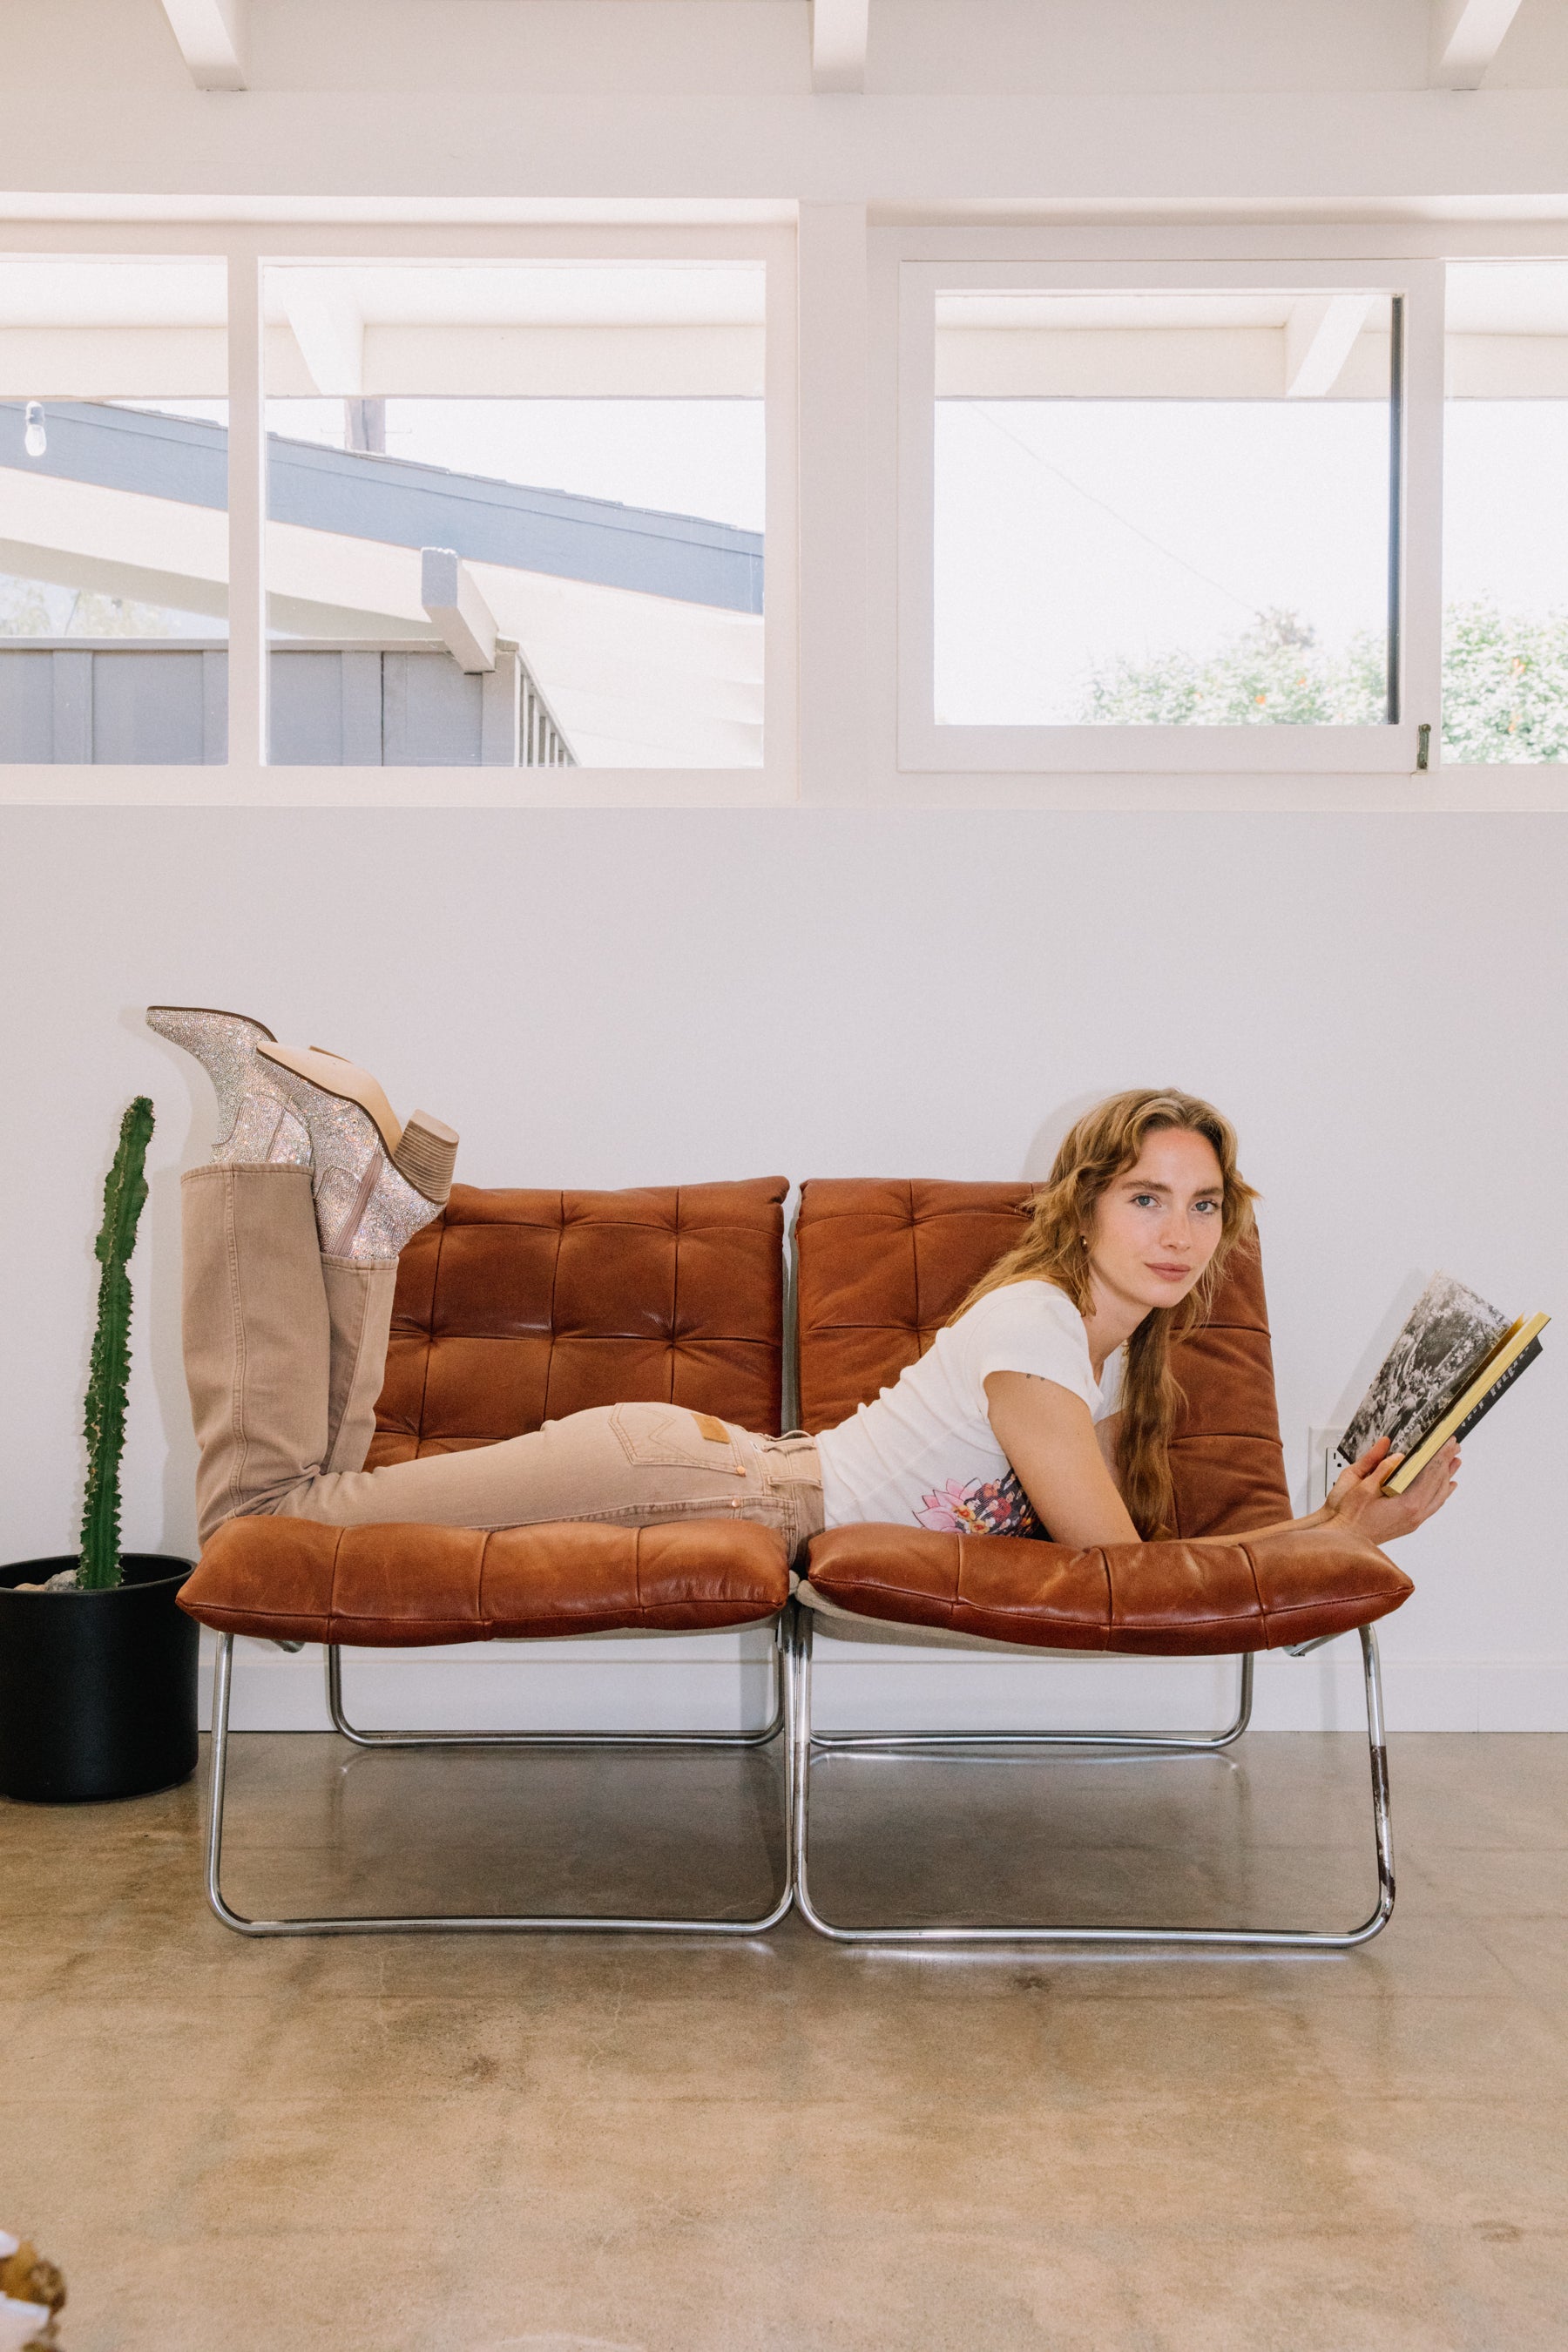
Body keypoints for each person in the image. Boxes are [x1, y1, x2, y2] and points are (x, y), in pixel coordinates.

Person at [149, 1008, 1459, 1563]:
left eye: (1204, 1204)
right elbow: (1119, 1575)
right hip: (694, 1478)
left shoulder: (1097, 1362)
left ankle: (356, 1206)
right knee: (264, 1524)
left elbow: (1151, 1570)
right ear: (1086, 1204)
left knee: (307, 1502)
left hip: (717, 1474)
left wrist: (1331, 1529)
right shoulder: (1035, 1330)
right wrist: (1331, 1542)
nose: (1179, 1232)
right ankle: (265, 1151)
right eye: (1147, 1197)